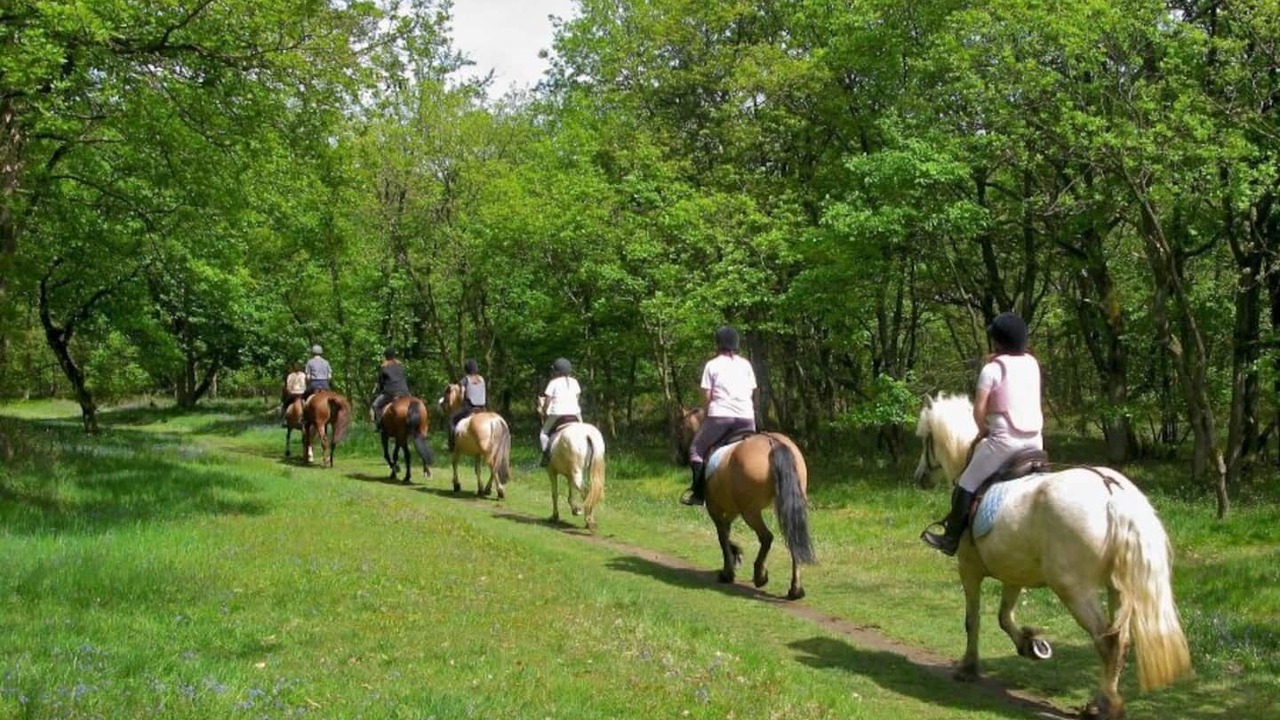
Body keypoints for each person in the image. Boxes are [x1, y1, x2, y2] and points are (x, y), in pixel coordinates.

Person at [921, 311, 1044, 556]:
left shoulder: (992, 370)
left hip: (1004, 443)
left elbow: (979, 412)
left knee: (965, 483)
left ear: (998, 341)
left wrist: (984, 432)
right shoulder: (1032, 364)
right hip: (1036, 442)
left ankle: (951, 539)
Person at [681, 326, 757, 506]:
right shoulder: (745, 364)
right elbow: (751, 391)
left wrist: (709, 412)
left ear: (719, 343)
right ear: (736, 344)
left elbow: (707, 395)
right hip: (747, 418)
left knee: (696, 451)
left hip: (720, 417)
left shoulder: (712, 365)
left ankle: (698, 494)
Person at [538, 357, 581, 467]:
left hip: (557, 413)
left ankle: (546, 457)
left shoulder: (553, 382)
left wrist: (543, 411)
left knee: (543, 433)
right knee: (582, 428)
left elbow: (547, 400)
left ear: (556, 371)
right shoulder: (575, 382)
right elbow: (577, 397)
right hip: (575, 413)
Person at [448, 359, 487, 451]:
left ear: (466, 369)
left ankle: (452, 445)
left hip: (470, 408)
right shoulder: (482, 379)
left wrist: (462, 402)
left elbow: (462, 394)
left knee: (452, 420)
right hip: (482, 408)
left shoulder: (465, 380)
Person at [370, 348, 410, 426]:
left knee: (375, 405)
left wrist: (378, 391)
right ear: (395, 356)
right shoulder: (401, 366)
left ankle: (379, 425)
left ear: (385, 357)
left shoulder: (383, 367)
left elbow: (380, 383)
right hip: (405, 392)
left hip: (390, 393)